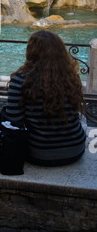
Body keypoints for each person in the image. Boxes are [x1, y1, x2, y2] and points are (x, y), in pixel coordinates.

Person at [5, 30, 87, 167]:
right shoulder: (72, 76)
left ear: (31, 51)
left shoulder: (20, 79)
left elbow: (15, 120)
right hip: (75, 148)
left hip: (39, 151)